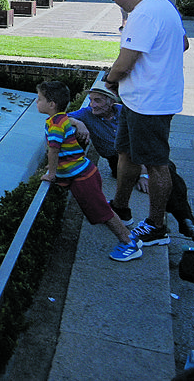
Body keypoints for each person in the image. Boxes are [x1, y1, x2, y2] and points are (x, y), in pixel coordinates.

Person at [102, 0, 190, 255]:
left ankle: (156, 226)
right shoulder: (164, 5)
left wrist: (110, 81)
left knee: (155, 164)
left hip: (150, 103)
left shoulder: (142, 13)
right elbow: (184, 43)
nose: (116, 3)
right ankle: (121, 206)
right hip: (140, 99)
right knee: (125, 152)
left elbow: (124, 63)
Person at [69, 80, 194, 244]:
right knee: (163, 167)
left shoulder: (123, 111)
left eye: (98, 100)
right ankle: (185, 219)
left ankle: (185, 218)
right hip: (118, 160)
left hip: (138, 155)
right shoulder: (86, 114)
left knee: (167, 166)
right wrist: (77, 123)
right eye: (91, 100)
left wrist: (144, 173)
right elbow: (59, 119)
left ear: (112, 101)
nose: (92, 105)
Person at [36, 80, 140, 261]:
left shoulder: (55, 124)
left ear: (51, 104)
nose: (36, 102)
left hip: (81, 178)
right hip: (86, 171)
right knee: (102, 208)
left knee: (103, 213)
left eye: (39, 99)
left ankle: (129, 242)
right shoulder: (60, 119)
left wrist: (51, 174)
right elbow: (65, 148)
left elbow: (53, 150)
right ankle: (129, 238)